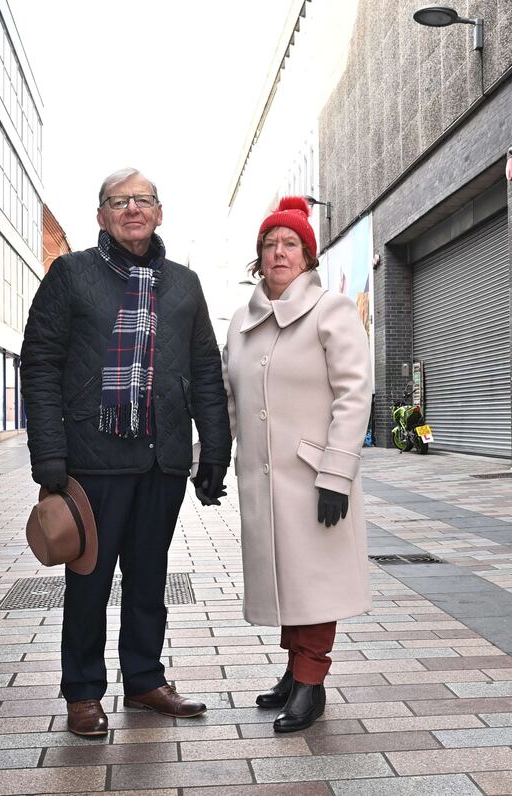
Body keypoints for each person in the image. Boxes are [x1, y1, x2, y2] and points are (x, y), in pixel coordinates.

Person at [20, 168, 231, 738]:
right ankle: (83, 692)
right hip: (92, 460)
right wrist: (50, 458)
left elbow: (207, 372)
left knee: (150, 577)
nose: (132, 209)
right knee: (88, 580)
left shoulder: (185, 284)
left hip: (162, 459)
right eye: (119, 201)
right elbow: (39, 365)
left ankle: (143, 679)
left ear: (160, 213)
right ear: (101, 216)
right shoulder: (71, 275)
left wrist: (215, 449)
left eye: (142, 200)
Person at [222, 196, 372, 733]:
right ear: (258, 257)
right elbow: (232, 401)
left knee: (314, 581)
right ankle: (293, 672)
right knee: (286, 580)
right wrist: (217, 460)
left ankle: (312, 682)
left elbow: (355, 395)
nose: (279, 252)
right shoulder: (242, 320)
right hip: (262, 482)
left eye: (290, 244)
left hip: (315, 479)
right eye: (269, 244)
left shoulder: (332, 311)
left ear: (308, 256)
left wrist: (337, 473)